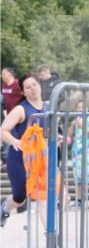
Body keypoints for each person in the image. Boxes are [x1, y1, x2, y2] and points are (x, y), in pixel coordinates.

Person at [0, 74, 45, 226]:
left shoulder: (48, 107)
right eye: (28, 87)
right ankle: (4, 208)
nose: (32, 88)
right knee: (20, 197)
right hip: (19, 158)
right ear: (24, 92)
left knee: (45, 196)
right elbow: (3, 130)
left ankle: (51, 235)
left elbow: (48, 131)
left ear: (39, 85)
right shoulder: (21, 109)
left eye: (34, 84)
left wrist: (57, 138)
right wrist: (14, 141)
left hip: (39, 159)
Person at [66, 100, 89, 208]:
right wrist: (72, 125)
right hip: (77, 152)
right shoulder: (76, 120)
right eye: (78, 108)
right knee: (78, 177)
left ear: (87, 109)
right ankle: (80, 200)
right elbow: (68, 136)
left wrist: (82, 126)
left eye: (82, 108)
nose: (80, 110)